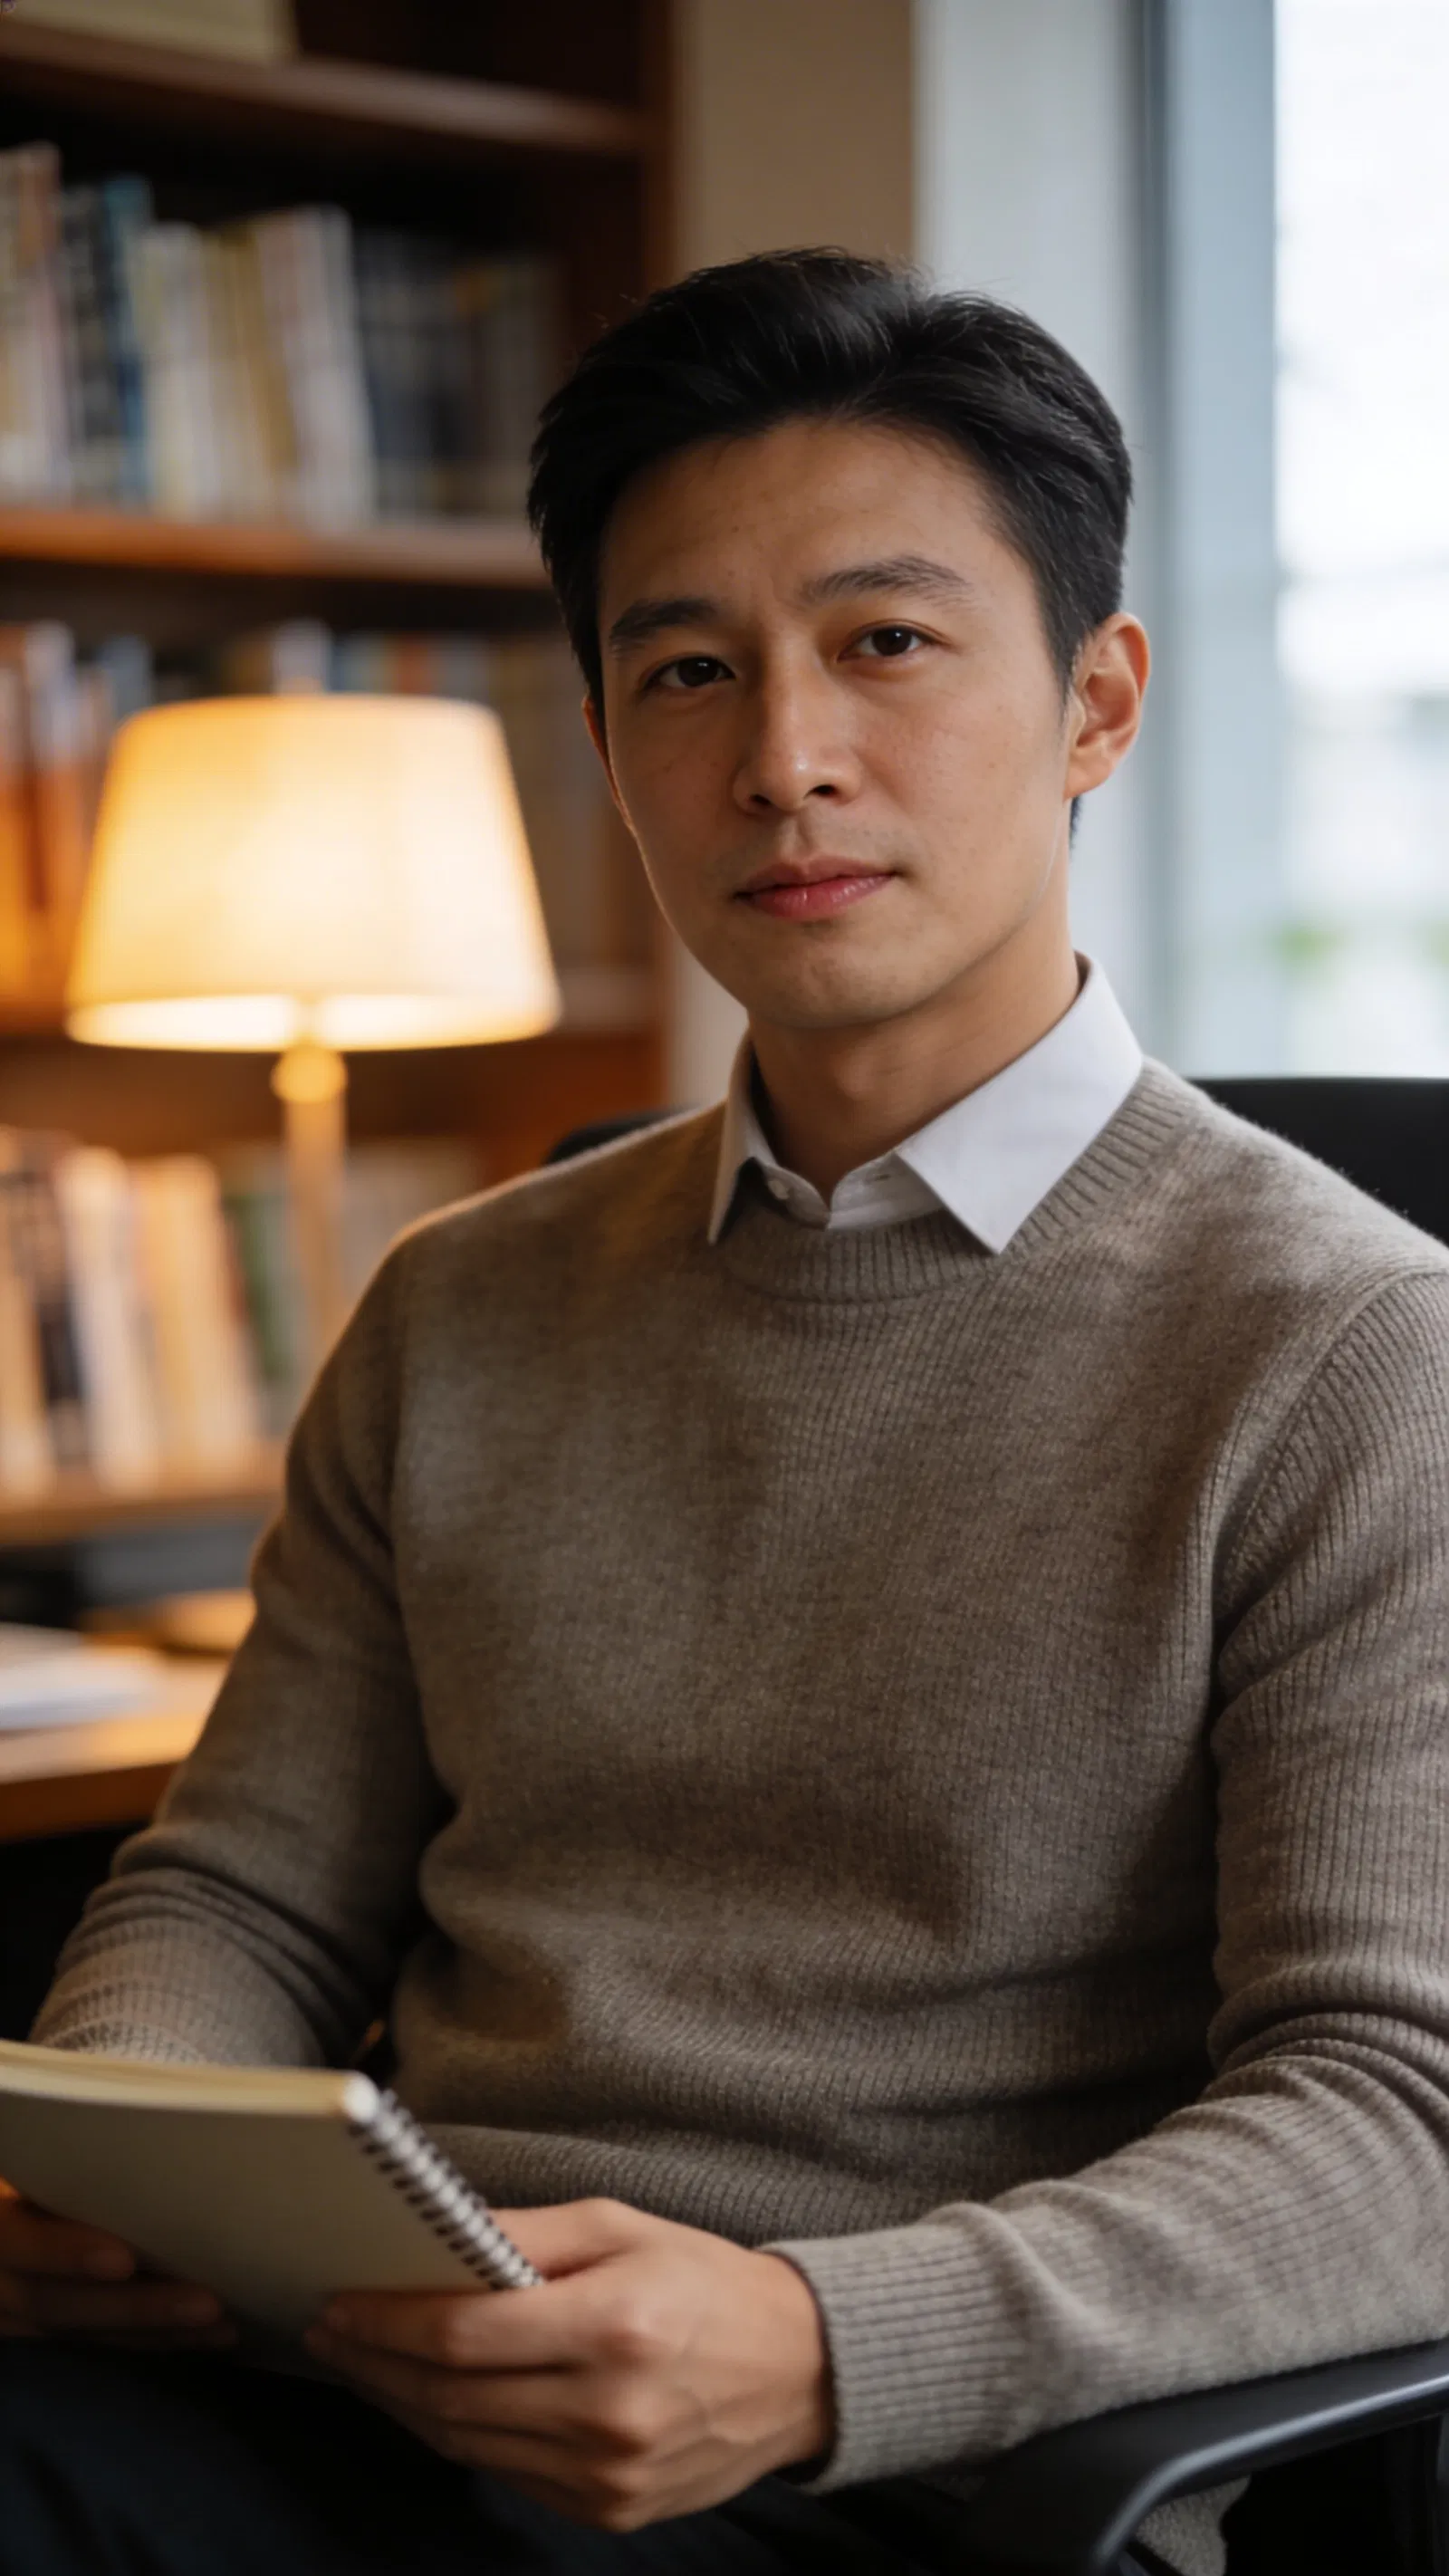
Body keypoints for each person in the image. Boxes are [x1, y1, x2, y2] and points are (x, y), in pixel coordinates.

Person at [3, 250, 1448, 2576]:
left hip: (909, 2482)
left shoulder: (1353, 1349)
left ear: (1094, 702)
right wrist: (136, 2147)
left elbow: (1404, 2122)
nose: (782, 757)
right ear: (607, 749)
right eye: (687, 671)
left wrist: (821, 2341)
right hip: (380, 2381)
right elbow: (244, 1888)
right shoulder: (458, 1303)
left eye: (884, 643)